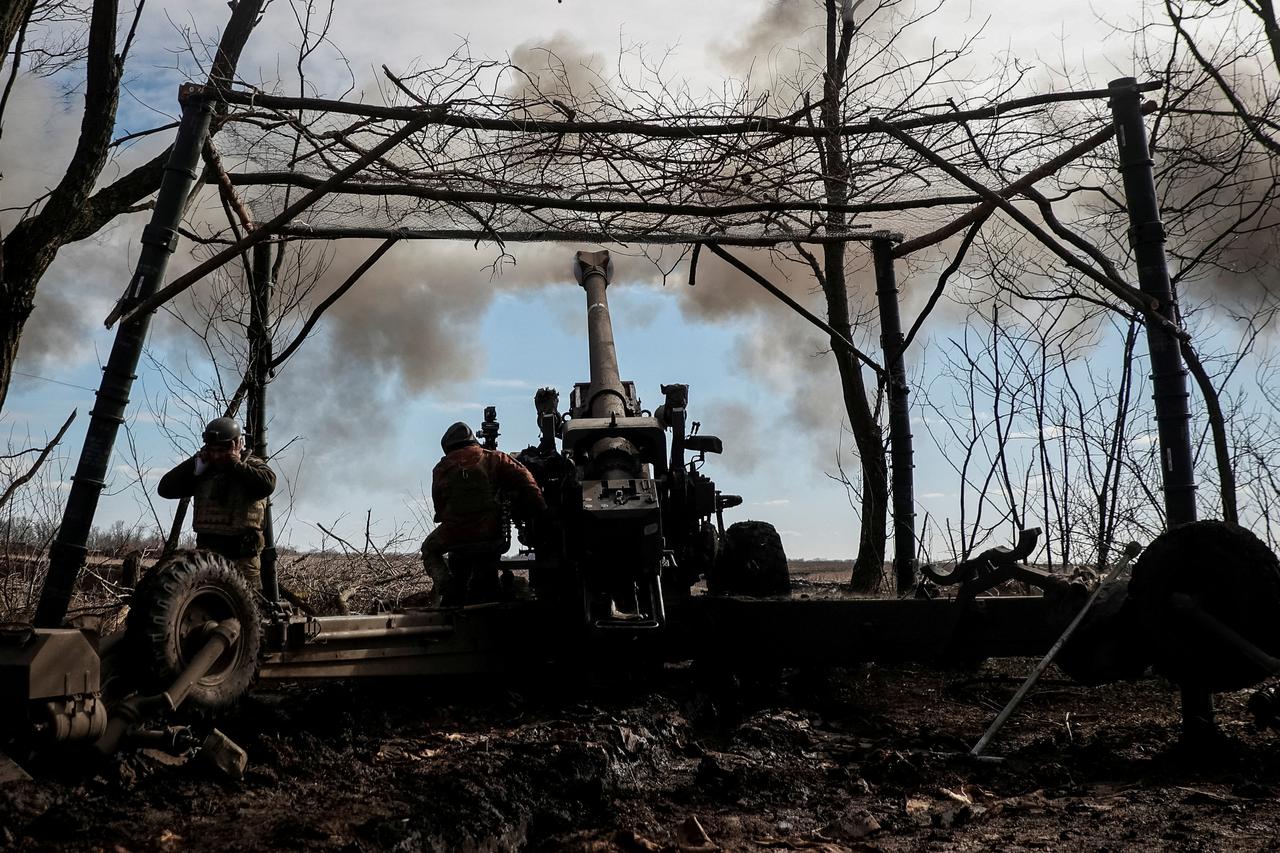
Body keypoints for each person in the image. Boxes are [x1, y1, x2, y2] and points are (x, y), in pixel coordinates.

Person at [421, 421, 545, 604]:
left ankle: (448, 586)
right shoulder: (495, 458)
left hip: (454, 534)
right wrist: (540, 509)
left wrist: (449, 520)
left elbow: (439, 506)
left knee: (429, 549)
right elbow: (526, 480)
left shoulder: (441, 468)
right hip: (490, 531)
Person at [158, 416, 276, 589]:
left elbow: (267, 484)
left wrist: (235, 464)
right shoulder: (204, 469)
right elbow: (165, 489)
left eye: (222, 450)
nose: (216, 455)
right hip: (208, 554)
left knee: (248, 605)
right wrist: (194, 465)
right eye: (212, 450)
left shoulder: (251, 465)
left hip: (243, 556)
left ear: (237, 444)